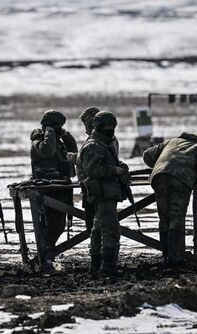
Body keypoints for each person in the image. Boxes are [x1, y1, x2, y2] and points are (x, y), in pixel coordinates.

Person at [143, 132, 197, 265]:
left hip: (159, 176)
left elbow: (147, 155)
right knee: (176, 216)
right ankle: (174, 256)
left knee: (164, 217)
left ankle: (166, 255)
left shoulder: (171, 142)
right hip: (181, 178)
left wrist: (161, 163)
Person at [78, 111, 127, 275]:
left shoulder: (104, 144)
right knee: (110, 229)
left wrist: (120, 166)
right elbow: (93, 170)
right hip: (102, 194)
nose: (110, 131)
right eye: (106, 128)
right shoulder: (93, 146)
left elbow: (105, 163)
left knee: (98, 228)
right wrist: (116, 171)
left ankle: (96, 264)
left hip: (107, 192)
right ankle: (108, 267)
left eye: (111, 127)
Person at [30, 110, 78, 269]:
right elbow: (47, 151)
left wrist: (66, 136)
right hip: (47, 190)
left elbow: (74, 153)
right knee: (48, 226)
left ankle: (45, 256)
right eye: (57, 126)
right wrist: (49, 132)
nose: (59, 129)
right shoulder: (38, 143)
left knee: (59, 225)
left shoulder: (58, 142)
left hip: (60, 187)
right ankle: (43, 258)